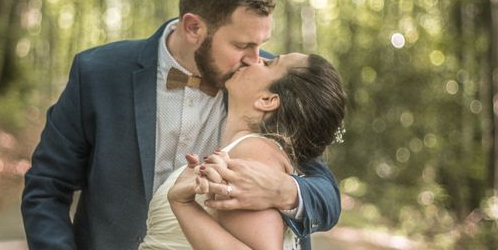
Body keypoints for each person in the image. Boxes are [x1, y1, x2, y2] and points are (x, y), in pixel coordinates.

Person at [21, 0, 341, 250]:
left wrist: (283, 190)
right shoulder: (99, 73)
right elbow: (47, 185)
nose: (255, 58)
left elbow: (325, 193)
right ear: (193, 28)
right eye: (242, 44)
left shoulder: (261, 84)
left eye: (261, 44)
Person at [140, 52, 346, 249]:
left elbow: (326, 192)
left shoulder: (255, 153)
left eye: (269, 63)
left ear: (267, 100)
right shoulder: (254, 149)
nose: (256, 58)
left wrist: (183, 205)